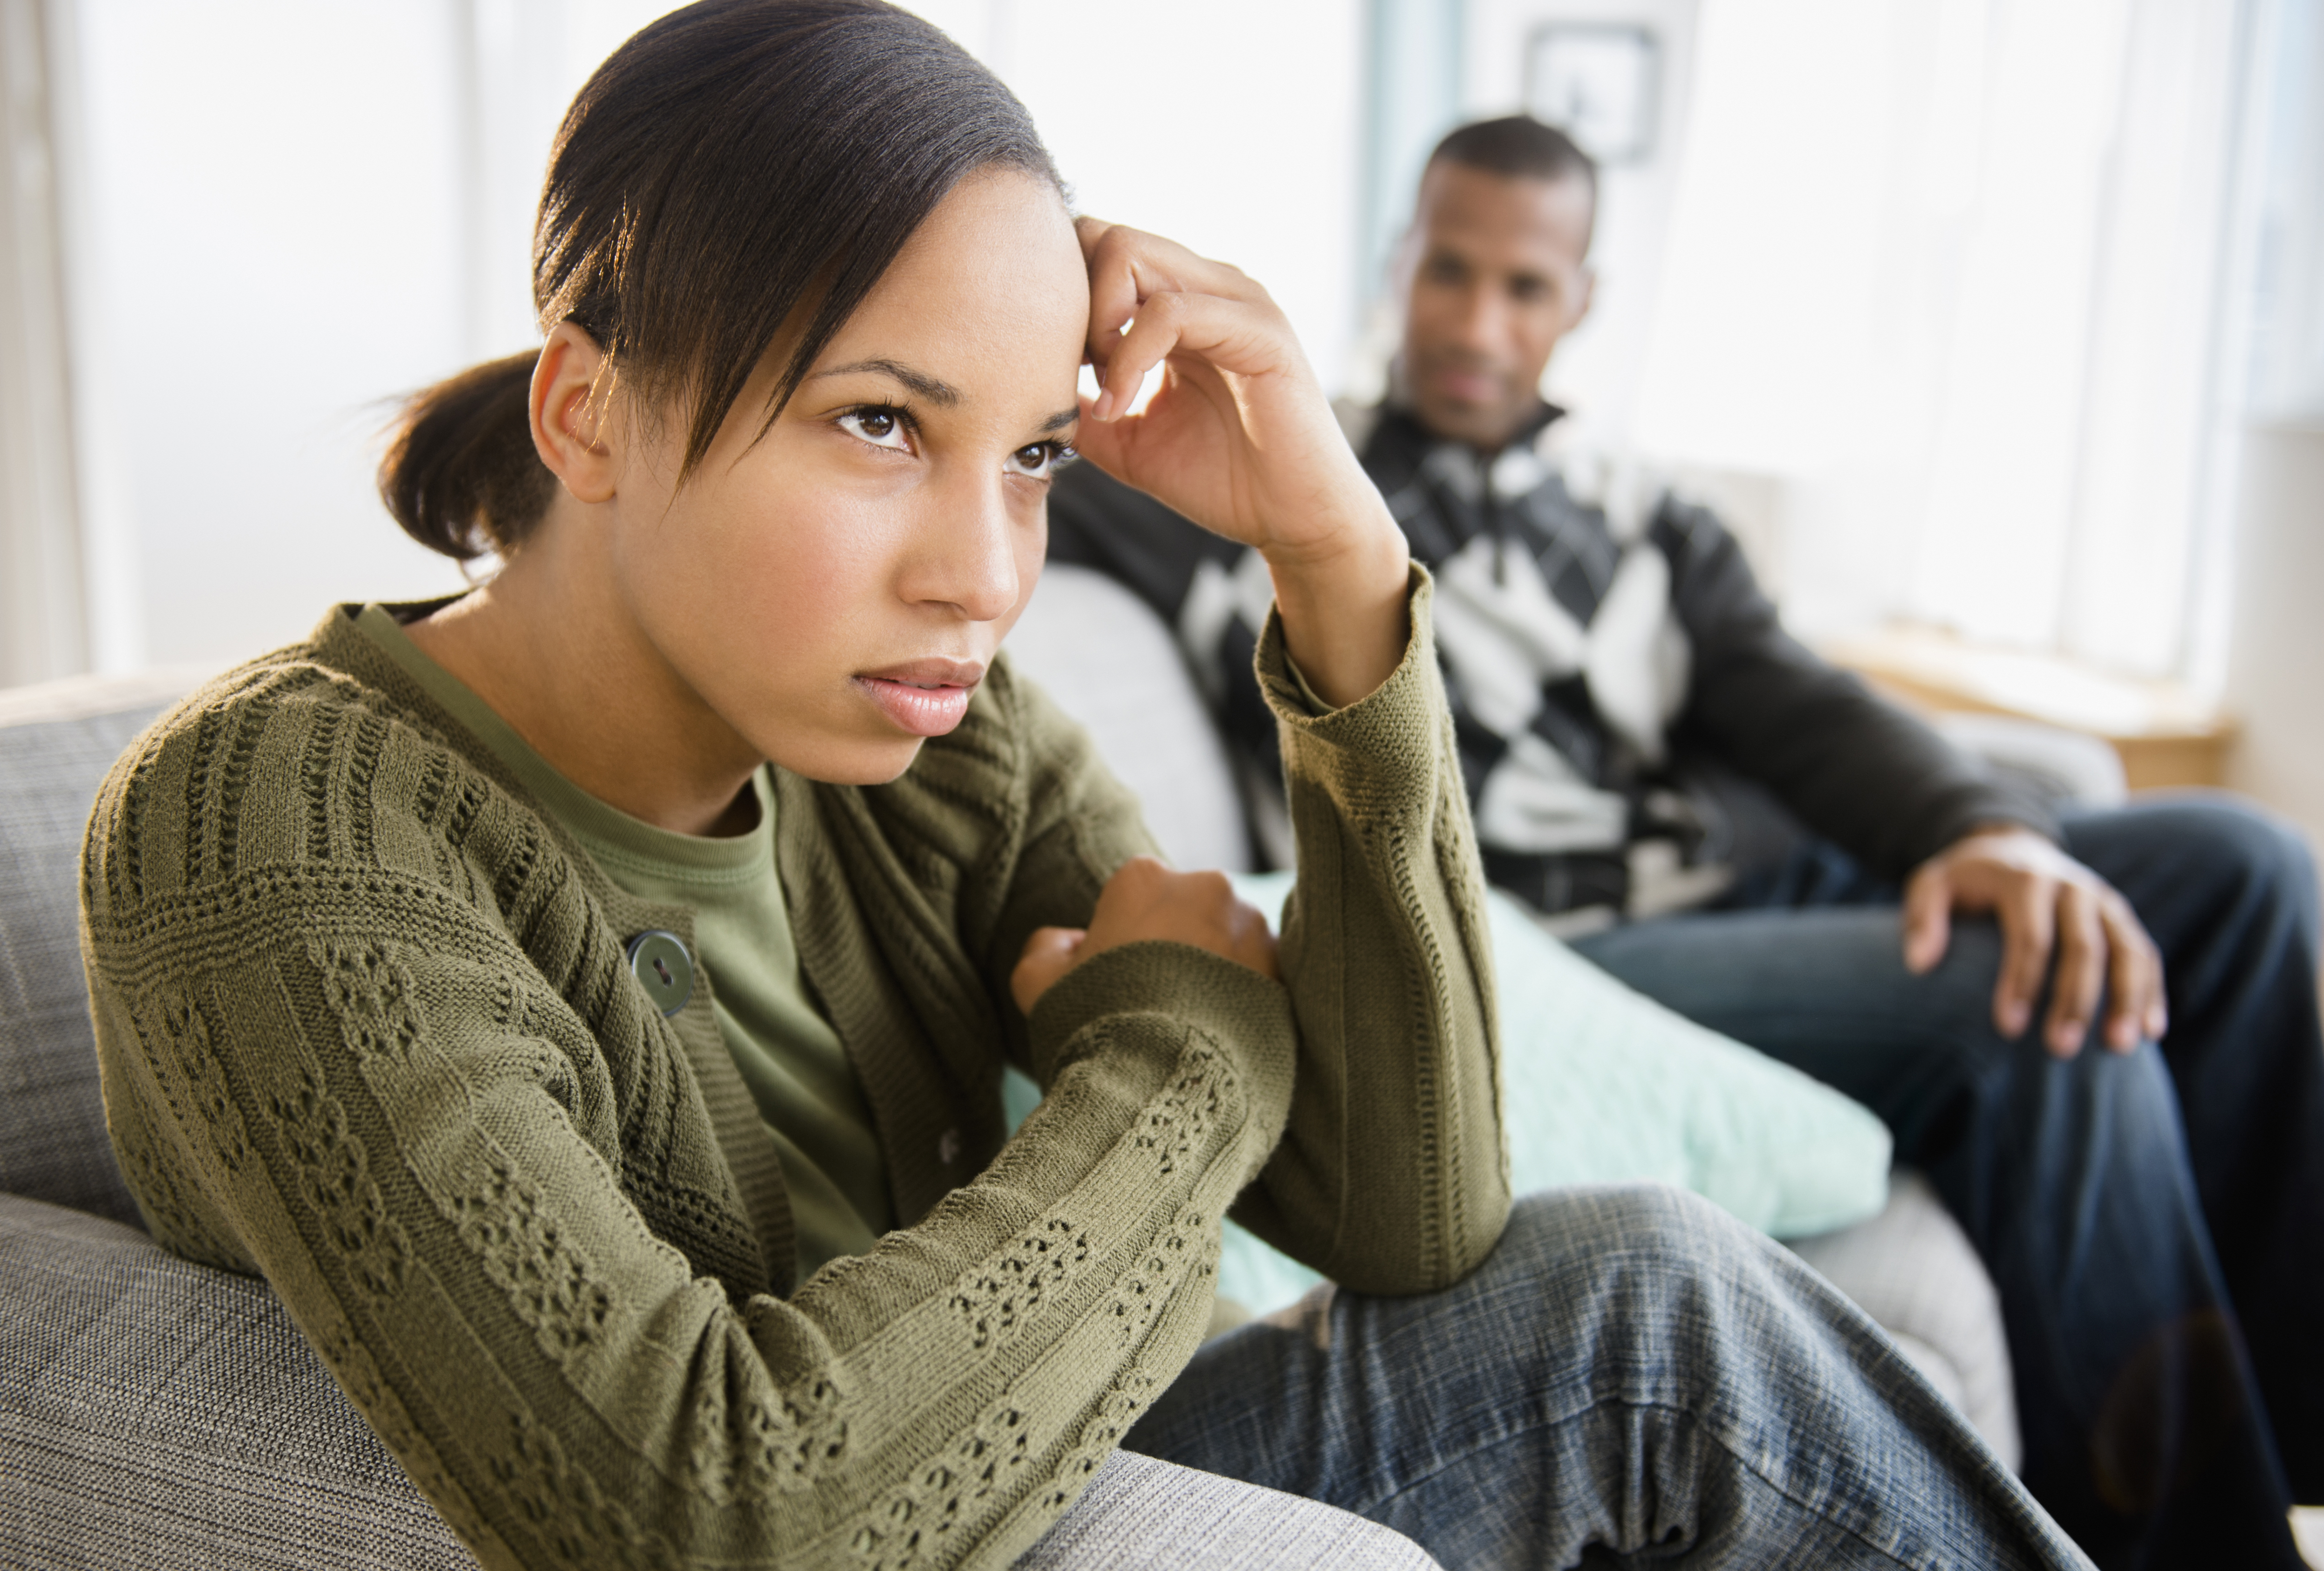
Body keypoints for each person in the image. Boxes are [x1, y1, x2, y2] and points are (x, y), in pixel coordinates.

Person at [79, 12, 2094, 1568]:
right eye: (882, 423)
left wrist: (1337, 575)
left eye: (1034, 452)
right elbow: (714, 1511)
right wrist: (1189, 1052)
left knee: (1641, 1280)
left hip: (1036, 1462)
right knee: (1659, 1325)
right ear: (588, 407)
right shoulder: (272, 821)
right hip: (875, 1509)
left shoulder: (914, 734)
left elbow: (1416, 1214)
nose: (985, 568)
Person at [1047, 113, 2324, 1569]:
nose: (1474, 321)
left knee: (2242, 870)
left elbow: (1797, 705)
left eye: (1523, 287)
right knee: (2034, 999)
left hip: (1747, 891)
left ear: (1578, 301)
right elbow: (1025, 447)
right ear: (1399, 262)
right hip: (1570, 954)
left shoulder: (1644, 515)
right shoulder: (1256, 468)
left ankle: (2285, 1455)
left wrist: (1983, 827)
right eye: (1446, 271)